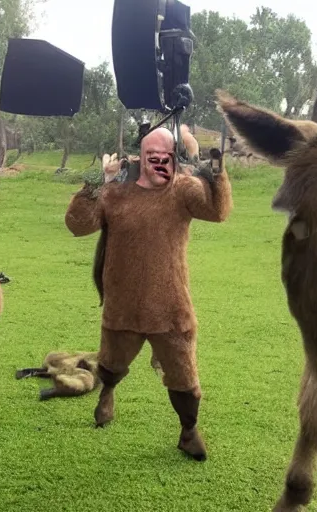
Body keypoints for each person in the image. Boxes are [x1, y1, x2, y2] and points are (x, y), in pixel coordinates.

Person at [64, 126, 233, 461]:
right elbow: (77, 225)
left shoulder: (183, 190)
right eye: (151, 157)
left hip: (171, 307)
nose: (159, 163)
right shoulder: (115, 193)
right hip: (122, 304)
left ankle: (188, 431)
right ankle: (107, 392)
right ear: (139, 158)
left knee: (184, 376)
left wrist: (214, 170)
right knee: (112, 362)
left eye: (165, 157)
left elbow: (218, 211)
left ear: (173, 158)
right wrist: (97, 180)